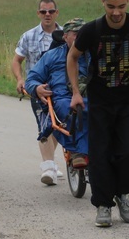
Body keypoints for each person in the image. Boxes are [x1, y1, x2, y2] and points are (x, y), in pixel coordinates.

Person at [67, 0, 129, 228]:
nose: (116, 12)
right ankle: (103, 205)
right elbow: (72, 58)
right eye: (111, 7)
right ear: (103, 2)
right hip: (99, 102)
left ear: (128, 2)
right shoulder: (91, 30)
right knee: (100, 154)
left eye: (121, 6)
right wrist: (76, 92)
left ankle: (122, 193)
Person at [11, 0, 64, 185]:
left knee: (60, 126)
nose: (47, 15)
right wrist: (20, 79)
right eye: (43, 12)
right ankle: (48, 167)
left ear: (57, 12)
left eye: (51, 11)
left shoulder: (67, 35)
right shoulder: (29, 36)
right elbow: (17, 60)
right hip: (38, 89)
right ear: (38, 13)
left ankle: (50, 162)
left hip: (61, 89)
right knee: (44, 124)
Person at [25, 18, 90, 169]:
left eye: (83, 34)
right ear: (65, 36)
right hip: (62, 97)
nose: (80, 38)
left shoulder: (95, 55)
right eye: (76, 34)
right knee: (66, 107)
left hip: (89, 95)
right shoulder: (52, 56)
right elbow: (32, 79)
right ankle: (77, 152)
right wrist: (36, 88)